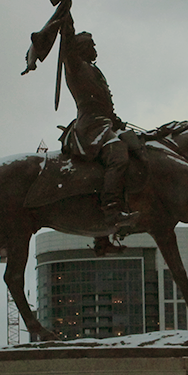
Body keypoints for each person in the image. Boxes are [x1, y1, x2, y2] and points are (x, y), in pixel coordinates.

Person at [58, 19, 138, 225]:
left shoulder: (94, 70)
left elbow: (102, 105)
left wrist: (116, 121)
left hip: (105, 123)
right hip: (90, 127)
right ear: (81, 49)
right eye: (91, 46)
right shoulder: (75, 67)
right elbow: (67, 42)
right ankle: (111, 208)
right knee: (118, 155)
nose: (95, 49)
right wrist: (66, 14)